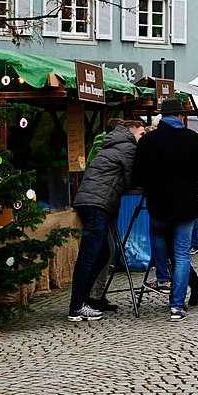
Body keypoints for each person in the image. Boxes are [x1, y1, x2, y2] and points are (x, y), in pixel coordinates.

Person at [134, 99, 198, 321]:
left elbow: (137, 174)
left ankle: (163, 278)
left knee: (158, 237)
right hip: (186, 204)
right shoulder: (194, 140)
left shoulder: (148, 140)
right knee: (182, 254)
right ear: (181, 117)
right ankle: (176, 306)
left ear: (162, 117)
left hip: (158, 204)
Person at [67, 120, 146, 322]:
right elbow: (132, 179)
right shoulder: (128, 148)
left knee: (102, 254)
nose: (143, 137)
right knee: (90, 254)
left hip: (91, 201)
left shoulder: (112, 145)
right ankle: (76, 306)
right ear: (131, 131)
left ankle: (90, 298)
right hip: (98, 203)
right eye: (141, 133)